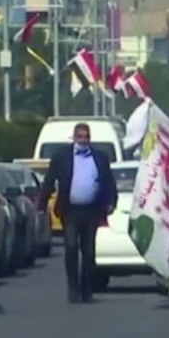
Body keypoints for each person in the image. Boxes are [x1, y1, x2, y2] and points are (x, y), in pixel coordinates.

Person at [39, 123, 117, 303]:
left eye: (86, 137)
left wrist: (111, 202)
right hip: (70, 210)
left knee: (88, 252)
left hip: (92, 210)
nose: (83, 140)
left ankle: (86, 288)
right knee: (71, 247)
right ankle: (73, 289)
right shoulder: (62, 157)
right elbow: (50, 180)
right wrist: (42, 204)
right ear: (74, 138)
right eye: (80, 137)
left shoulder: (100, 157)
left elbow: (108, 181)